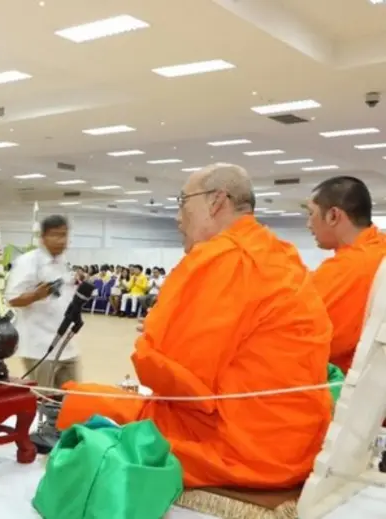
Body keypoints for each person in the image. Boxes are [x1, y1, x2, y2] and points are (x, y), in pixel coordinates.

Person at [57, 163, 333, 489]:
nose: (178, 217)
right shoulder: (282, 254)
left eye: (183, 202)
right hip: (300, 439)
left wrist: (157, 337)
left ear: (216, 202)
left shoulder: (224, 257)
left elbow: (167, 373)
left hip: (245, 449)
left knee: (87, 402)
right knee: (107, 398)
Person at [306, 176, 386, 374]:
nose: (308, 224)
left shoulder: (349, 268)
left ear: (333, 215)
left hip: (351, 386)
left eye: (311, 214)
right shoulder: (379, 250)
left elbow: (310, 338)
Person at [5, 215, 79, 388]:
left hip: (67, 345)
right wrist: (36, 295)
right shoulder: (28, 262)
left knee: (73, 399)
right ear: (43, 237)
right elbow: (12, 298)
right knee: (44, 402)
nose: (61, 240)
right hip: (40, 348)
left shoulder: (63, 262)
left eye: (64, 235)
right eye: (56, 235)